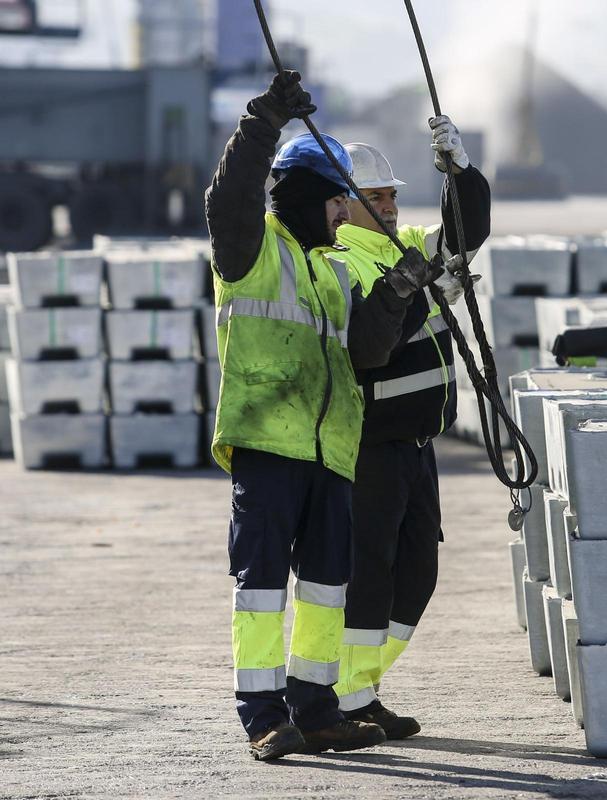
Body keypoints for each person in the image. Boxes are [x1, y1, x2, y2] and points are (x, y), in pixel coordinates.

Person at [205, 70, 446, 761]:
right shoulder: (251, 252)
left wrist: (400, 288)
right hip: (268, 443)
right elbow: (231, 195)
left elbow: (367, 352)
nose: (348, 214)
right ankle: (262, 715)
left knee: (323, 592)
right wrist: (265, 120)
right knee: (261, 591)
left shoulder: (333, 268)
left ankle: (316, 710)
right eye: (340, 201)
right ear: (312, 197)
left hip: (333, 452)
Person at [330, 127, 491, 738]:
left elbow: (462, 237)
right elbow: (371, 343)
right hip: (370, 444)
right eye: (379, 197)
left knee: (416, 574)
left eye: (393, 196)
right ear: (345, 203)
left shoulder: (401, 247)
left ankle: (359, 687)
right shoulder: (341, 261)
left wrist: (462, 174)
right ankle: (348, 696)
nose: (393, 208)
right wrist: (427, 295)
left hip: (418, 444)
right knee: (369, 573)